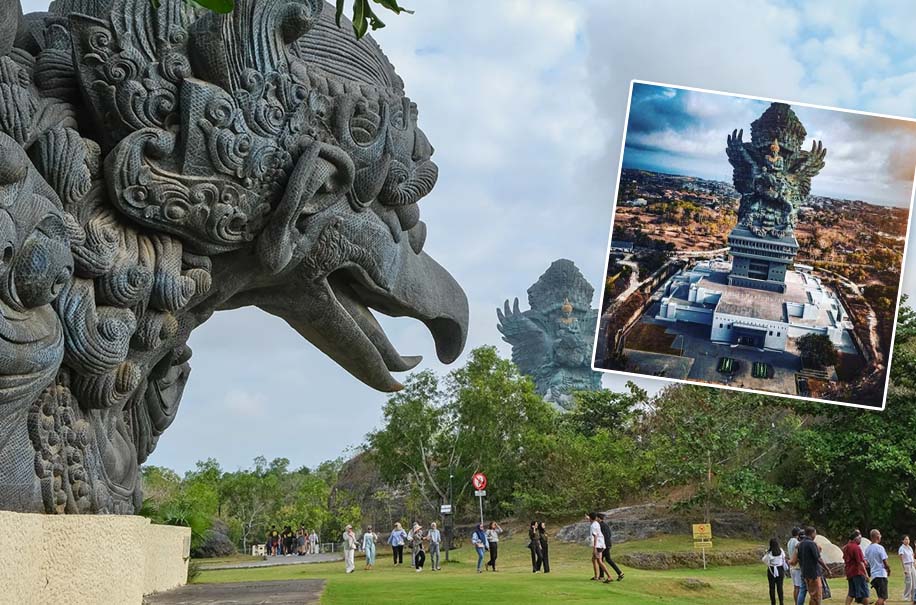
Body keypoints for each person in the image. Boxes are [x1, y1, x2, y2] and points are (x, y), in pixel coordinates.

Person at [790, 526, 830, 605]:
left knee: (812, 594)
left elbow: (796, 559)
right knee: (817, 595)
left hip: (805, 573)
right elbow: (818, 558)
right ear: (812, 534)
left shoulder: (799, 545)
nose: (815, 535)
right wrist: (827, 569)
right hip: (813, 573)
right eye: (815, 533)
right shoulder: (811, 544)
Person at [842, 530, 870, 605]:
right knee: (865, 593)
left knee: (851, 593)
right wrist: (866, 574)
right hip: (857, 572)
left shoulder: (846, 547)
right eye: (860, 538)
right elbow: (860, 562)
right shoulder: (856, 547)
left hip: (850, 572)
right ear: (855, 538)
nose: (860, 540)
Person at [864, 529, 890, 605]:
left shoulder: (867, 549)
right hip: (881, 575)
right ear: (877, 537)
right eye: (880, 535)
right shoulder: (880, 548)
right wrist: (888, 570)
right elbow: (885, 561)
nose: (881, 536)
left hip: (874, 576)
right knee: (883, 597)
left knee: (881, 597)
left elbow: (866, 563)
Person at [597, 512, 624, 581]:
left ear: (599, 518)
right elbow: (609, 534)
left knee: (602, 560)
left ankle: (619, 573)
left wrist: (603, 546)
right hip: (607, 544)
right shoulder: (605, 525)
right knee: (604, 559)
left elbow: (604, 536)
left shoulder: (601, 525)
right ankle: (602, 576)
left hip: (604, 545)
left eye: (596, 517)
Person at [588, 512, 613, 584]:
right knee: (594, 560)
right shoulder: (596, 523)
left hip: (598, 545)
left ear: (590, 518)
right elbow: (592, 519)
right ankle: (596, 576)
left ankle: (609, 576)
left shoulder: (593, 526)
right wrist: (589, 517)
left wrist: (594, 548)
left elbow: (595, 537)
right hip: (601, 544)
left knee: (599, 561)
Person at [762, 537, 788, 605]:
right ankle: (781, 602)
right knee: (780, 587)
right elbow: (784, 557)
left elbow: (764, 560)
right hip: (780, 569)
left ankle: (773, 603)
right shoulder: (781, 550)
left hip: (772, 570)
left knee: (772, 587)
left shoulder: (769, 553)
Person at [787, 528, 803, 605]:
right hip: (797, 567)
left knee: (795, 587)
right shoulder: (796, 542)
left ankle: (796, 602)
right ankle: (797, 603)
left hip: (792, 567)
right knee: (798, 587)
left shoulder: (789, 541)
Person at [900, 535, 915, 603]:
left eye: (908, 539)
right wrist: (904, 569)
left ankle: (913, 597)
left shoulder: (910, 547)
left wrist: (914, 565)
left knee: (914, 582)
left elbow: (912, 557)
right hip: (906, 565)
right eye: (906, 539)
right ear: (902, 541)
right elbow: (902, 559)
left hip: (912, 565)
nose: (907, 541)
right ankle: (905, 597)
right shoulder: (901, 548)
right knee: (909, 582)